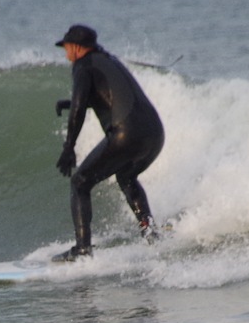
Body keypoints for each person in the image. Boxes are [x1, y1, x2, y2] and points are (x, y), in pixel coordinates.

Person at [52, 24, 165, 261]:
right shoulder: (109, 60)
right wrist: (69, 103)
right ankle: (151, 234)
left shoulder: (83, 65)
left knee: (80, 182)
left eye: (67, 48)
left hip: (126, 134)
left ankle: (82, 249)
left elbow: (79, 108)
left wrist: (69, 147)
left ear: (76, 47)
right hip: (154, 133)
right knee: (126, 176)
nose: (66, 54)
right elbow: (105, 95)